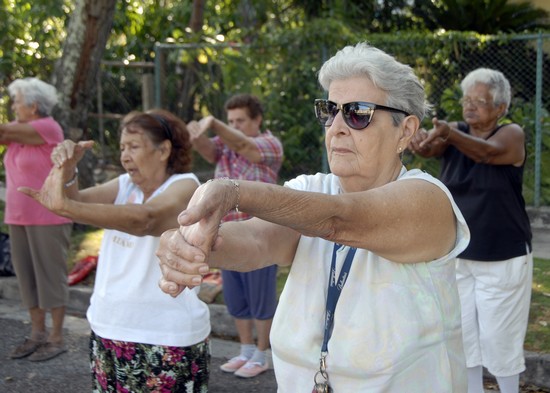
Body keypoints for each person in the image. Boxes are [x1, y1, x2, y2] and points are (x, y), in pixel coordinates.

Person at [156, 42, 471, 392]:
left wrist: (234, 191)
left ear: (406, 131)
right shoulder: (311, 188)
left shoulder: (428, 199)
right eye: (329, 110)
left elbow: (341, 220)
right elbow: (257, 239)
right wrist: (189, 244)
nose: (336, 126)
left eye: (358, 112)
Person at [19, 109, 211, 392]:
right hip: (108, 328)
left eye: (134, 146)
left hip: (167, 335)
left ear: (164, 150)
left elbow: (147, 219)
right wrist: (69, 169)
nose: (124, 156)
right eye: (122, 147)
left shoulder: (187, 186)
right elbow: (78, 201)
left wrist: (67, 206)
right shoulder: (124, 185)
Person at [408, 68, 533, 393]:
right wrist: (423, 142)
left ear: (500, 108)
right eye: (467, 99)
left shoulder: (511, 134)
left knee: (500, 341)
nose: (470, 106)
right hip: (459, 255)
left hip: (502, 257)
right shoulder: (455, 134)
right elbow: (430, 149)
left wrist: (449, 134)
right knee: (463, 338)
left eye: (480, 101)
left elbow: (488, 153)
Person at [186, 94, 283, 378]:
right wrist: (196, 134)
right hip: (227, 233)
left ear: (257, 120)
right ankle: (245, 351)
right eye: (230, 121)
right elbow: (205, 149)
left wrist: (213, 123)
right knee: (236, 298)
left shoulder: (269, 144)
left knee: (261, 299)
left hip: (261, 236)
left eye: (240, 120)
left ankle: (262, 355)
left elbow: (244, 145)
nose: (235, 126)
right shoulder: (223, 144)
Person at [1, 77, 73, 362]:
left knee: (50, 277)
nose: (13, 106)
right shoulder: (19, 133)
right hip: (17, 216)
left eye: (16, 101)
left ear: (33, 105)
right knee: (27, 277)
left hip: (48, 216)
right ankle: (37, 334)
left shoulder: (46, 127)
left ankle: (56, 337)